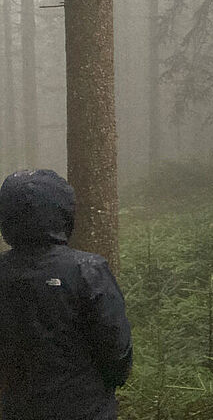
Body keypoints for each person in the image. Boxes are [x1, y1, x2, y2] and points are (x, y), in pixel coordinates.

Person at [0, 169, 133, 420]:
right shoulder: (88, 270)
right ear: (62, 211)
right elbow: (117, 349)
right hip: (86, 409)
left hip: (18, 410)